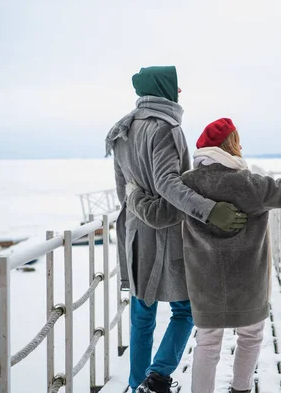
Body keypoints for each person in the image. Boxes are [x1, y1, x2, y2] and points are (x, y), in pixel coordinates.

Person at [126, 118, 281, 392]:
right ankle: (240, 389)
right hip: (248, 280)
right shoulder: (251, 184)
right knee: (251, 338)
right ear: (231, 145)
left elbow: (157, 215)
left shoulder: (188, 184)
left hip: (204, 283)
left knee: (207, 342)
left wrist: (133, 194)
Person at [105, 67, 249, 393]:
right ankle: (157, 377)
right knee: (186, 310)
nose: (179, 92)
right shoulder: (165, 129)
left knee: (142, 314)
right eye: (175, 86)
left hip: (135, 234)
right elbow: (169, 185)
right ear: (163, 88)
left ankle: (137, 383)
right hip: (168, 233)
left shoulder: (122, 130)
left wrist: (139, 207)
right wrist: (210, 211)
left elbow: (123, 193)